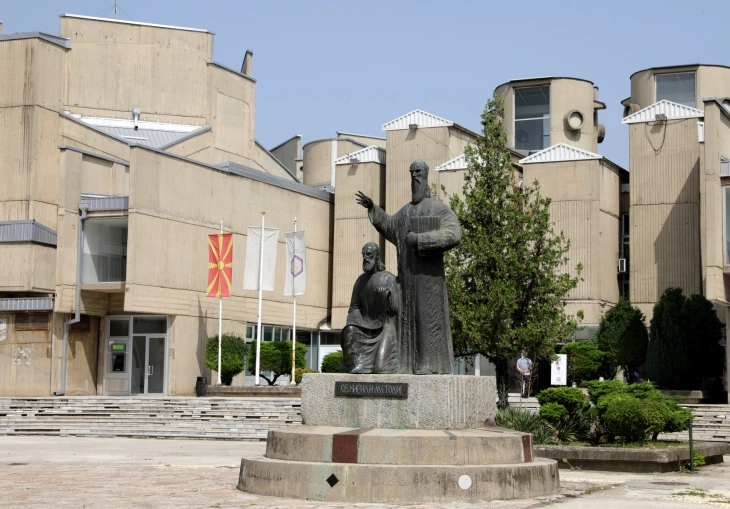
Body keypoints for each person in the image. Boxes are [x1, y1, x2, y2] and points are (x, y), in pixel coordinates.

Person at [356, 160, 462, 374]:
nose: (414, 176)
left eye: (418, 172)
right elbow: (389, 225)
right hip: (406, 279)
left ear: (425, 175)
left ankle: (430, 365)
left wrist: (421, 239)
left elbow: (453, 234)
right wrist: (373, 208)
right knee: (405, 322)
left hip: (428, 281)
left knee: (427, 321)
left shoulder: (438, 208)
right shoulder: (405, 211)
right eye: (411, 172)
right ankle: (405, 364)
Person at [340, 243, 399, 374]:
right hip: (365, 327)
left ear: (377, 256)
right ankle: (359, 363)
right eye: (363, 255)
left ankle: (373, 364)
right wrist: (355, 324)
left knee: (381, 368)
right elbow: (354, 308)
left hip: (385, 327)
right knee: (349, 331)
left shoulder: (389, 278)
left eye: (369, 255)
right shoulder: (360, 281)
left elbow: (396, 309)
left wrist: (386, 298)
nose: (365, 258)